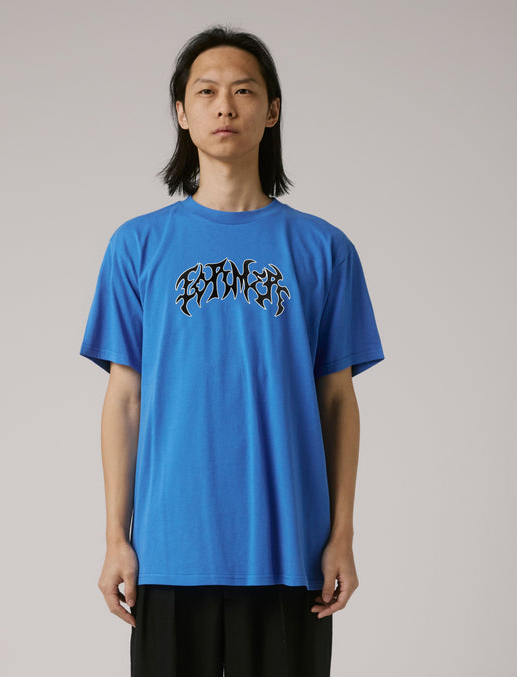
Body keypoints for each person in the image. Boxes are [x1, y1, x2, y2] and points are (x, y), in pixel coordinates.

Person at [79, 24, 385, 677]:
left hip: (290, 553)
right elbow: (125, 399)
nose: (225, 106)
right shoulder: (137, 246)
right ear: (182, 114)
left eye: (244, 91)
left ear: (271, 111)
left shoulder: (324, 250)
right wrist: (115, 538)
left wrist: (342, 534)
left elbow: (337, 400)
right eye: (207, 91)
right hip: (169, 551)